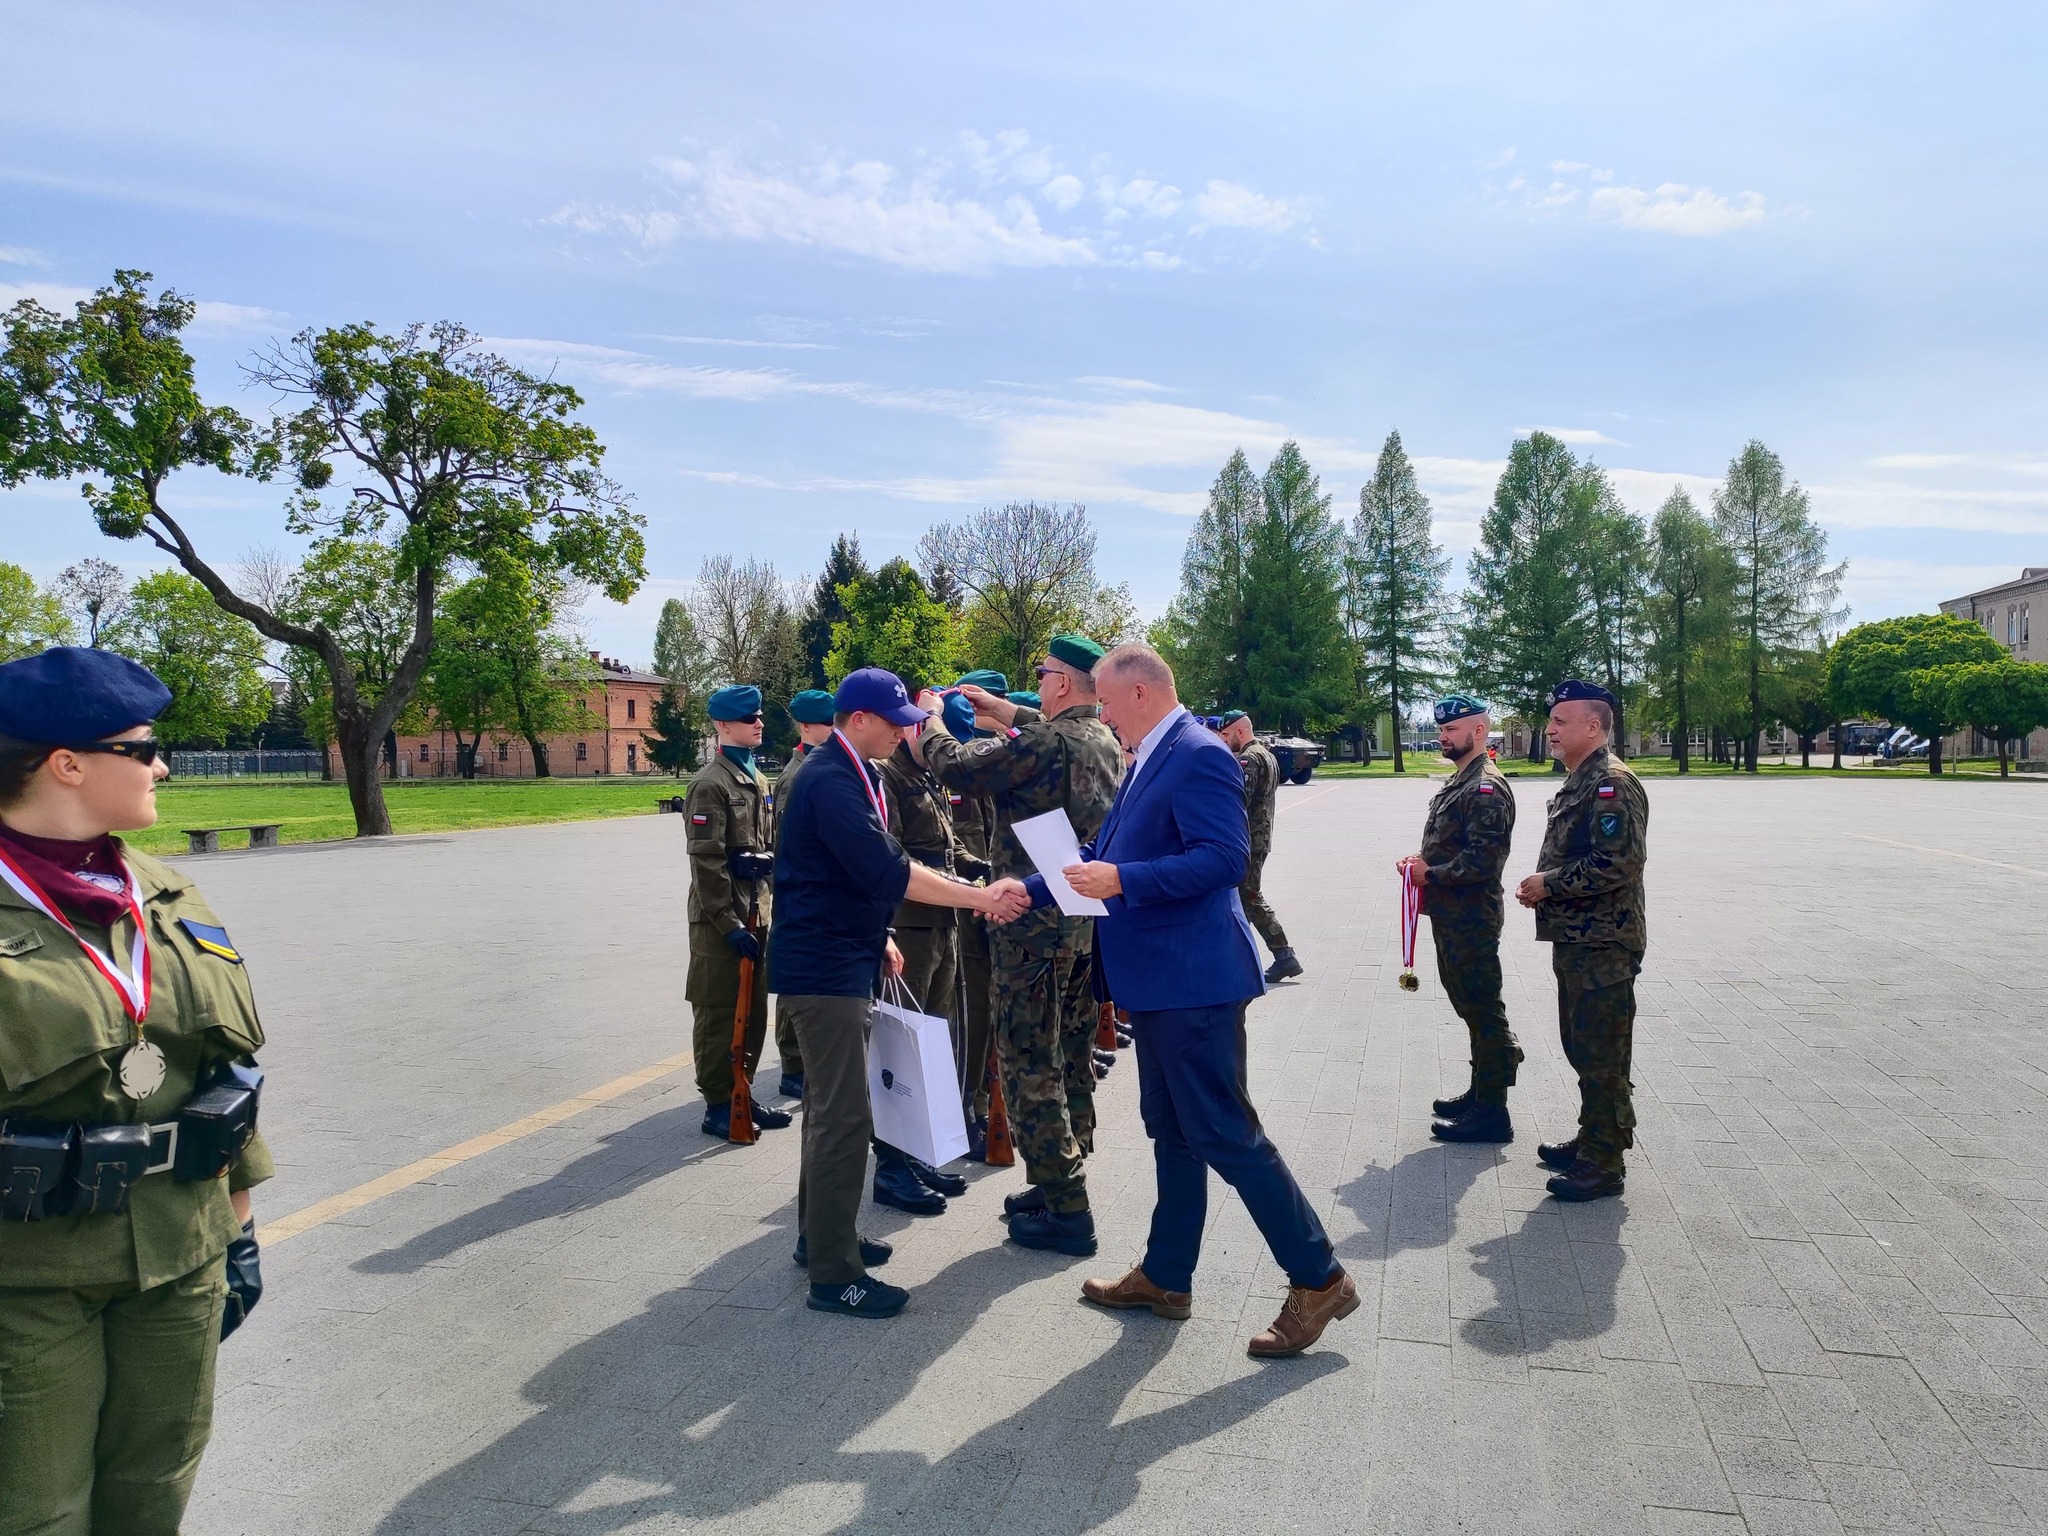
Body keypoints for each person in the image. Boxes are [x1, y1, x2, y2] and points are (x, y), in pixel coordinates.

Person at [1008, 643, 1356, 1358]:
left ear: (1140, 693)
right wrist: (1026, 890)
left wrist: (1125, 881)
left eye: (1107, 702)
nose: (1103, 715)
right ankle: (1166, 1277)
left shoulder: (1197, 754)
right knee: (1172, 1129)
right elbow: (1100, 857)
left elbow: (1224, 860)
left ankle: (1320, 1277)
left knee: (1225, 1132)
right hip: (1162, 984)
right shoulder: (1151, 755)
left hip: (1194, 984)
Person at [0, 647, 273, 1532]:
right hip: (29, 1277)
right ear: (67, 764)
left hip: (180, 1249)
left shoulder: (163, 890)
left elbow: (223, 1069)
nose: (162, 767)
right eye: (144, 748)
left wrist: (239, 1227)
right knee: (36, 1509)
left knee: (155, 1487)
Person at [770, 669, 1027, 1317]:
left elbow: (850, 874)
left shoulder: (852, 770)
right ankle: (834, 1276)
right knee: (845, 1117)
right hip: (824, 970)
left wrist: (879, 932)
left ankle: (819, 1238)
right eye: (896, 722)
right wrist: (978, 898)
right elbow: (889, 869)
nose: (904, 732)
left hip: (844, 954)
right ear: (859, 719)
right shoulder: (831, 780)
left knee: (831, 1111)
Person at [917, 637, 1122, 1257]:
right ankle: (1063, 1171)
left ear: (1059, 682)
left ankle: (1067, 1206)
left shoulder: (1043, 744)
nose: (1039, 680)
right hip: (1079, 922)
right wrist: (1004, 710)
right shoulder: (1101, 738)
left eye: (1043, 673)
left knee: (1028, 1059)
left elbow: (957, 767)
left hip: (1029, 924)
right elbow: (1050, 736)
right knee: (1070, 1051)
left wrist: (931, 720)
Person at [1514, 680, 1650, 1202]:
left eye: (1559, 721)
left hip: (1605, 942)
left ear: (1593, 727)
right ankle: (1594, 1137)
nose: (1549, 729)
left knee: (1603, 1053)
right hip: (1579, 939)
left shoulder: (1611, 783)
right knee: (1583, 1046)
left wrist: (1550, 883)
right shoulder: (1582, 780)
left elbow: (1618, 862)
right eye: (1551, 721)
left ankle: (1604, 1162)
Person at [868, 693, 979, 1216]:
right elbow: (892, 858)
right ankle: (891, 1166)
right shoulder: (888, 777)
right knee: (900, 1049)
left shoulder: (928, 775)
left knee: (933, 1042)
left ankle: (917, 1152)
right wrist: (957, 884)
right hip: (909, 927)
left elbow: (947, 845)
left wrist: (978, 870)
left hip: (942, 923)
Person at [1397, 695, 1521, 1144]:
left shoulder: (1486, 786)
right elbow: (1452, 844)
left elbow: (1484, 860)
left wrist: (1430, 874)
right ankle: (1481, 1091)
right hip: (1452, 914)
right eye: (1442, 730)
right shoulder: (1462, 780)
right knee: (1469, 1005)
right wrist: (1420, 861)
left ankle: (1493, 1111)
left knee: (1483, 1009)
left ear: (1479, 731)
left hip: (1472, 917)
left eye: (1452, 730)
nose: (1443, 737)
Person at [685, 684, 794, 1139]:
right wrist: (729, 925)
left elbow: (769, 846)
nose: (759, 723)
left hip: (756, 911)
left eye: (759, 716)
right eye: (750, 718)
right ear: (723, 725)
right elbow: (706, 862)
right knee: (719, 1010)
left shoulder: (758, 779)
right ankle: (717, 1102)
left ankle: (742, 1092)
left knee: (751, 1008)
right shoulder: (710, 783)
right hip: (721, 920)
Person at [763, 689, 839, 1099]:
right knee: (797, 975)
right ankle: (793, 1064)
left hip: (824, 894)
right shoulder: (796, 777)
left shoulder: (825, 766)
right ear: (805, 726)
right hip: (800, 893)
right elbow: (789, 844)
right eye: (828, 723)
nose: (835, 729)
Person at [945, 670, 1006, 1157]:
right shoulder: (953, 769)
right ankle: (965, 1111)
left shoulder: (996, 761)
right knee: (968, 1018)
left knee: (986, 1015)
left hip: (992, 906)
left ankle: (981, 1104)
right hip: (962, 915)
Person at [1218, 710, 1301, 982]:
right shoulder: (1266, 754)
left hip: (1249, 840)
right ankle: (1242, 958)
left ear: (1240, 732)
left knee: (1250, 897)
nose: (1224, 740)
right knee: (1245, 898)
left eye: (1226, 734)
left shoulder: (1249, 759)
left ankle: (1284, 955)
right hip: (1258, 838)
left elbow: (1238, 799)